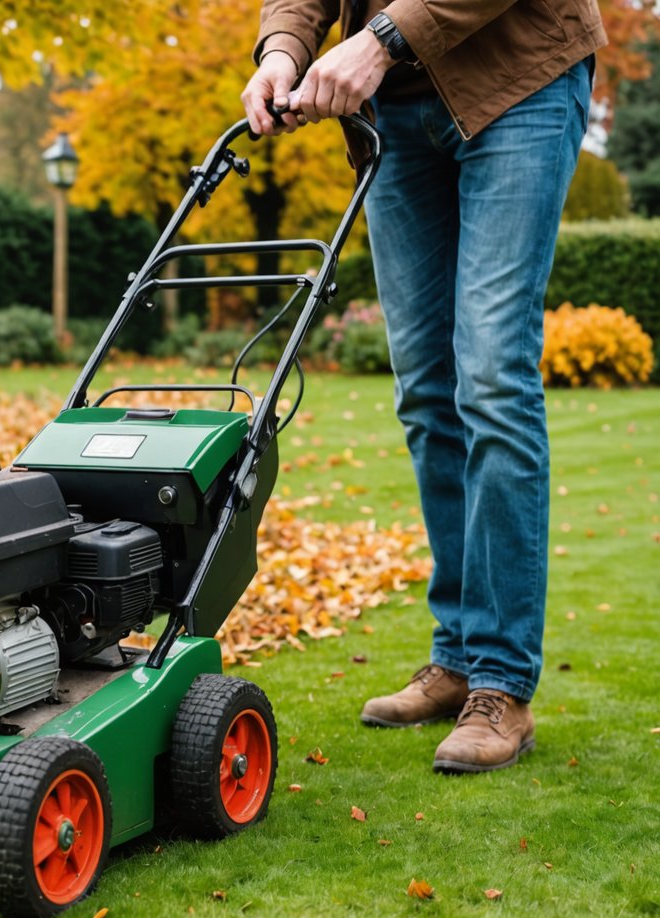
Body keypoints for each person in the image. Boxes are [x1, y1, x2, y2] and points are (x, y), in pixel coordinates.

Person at [242, 2, 606, 773]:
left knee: (491, 379)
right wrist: (282, 50)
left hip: (517, 78)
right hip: (396, 112)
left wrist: (381, 37)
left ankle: (502, 683)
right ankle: (458, 657)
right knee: (428, 395)